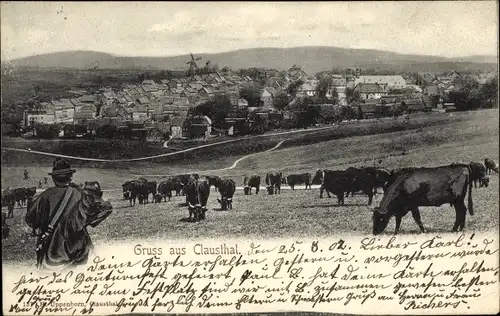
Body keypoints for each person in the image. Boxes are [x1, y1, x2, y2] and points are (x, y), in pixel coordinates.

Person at [25, 158, 113, 270]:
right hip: (78, 255)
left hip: (50, 257)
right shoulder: (81, 194)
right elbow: (106, 208)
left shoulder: (44, 196)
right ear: (70, 177)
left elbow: (30, 220)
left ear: (53, 178)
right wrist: (86, 221)